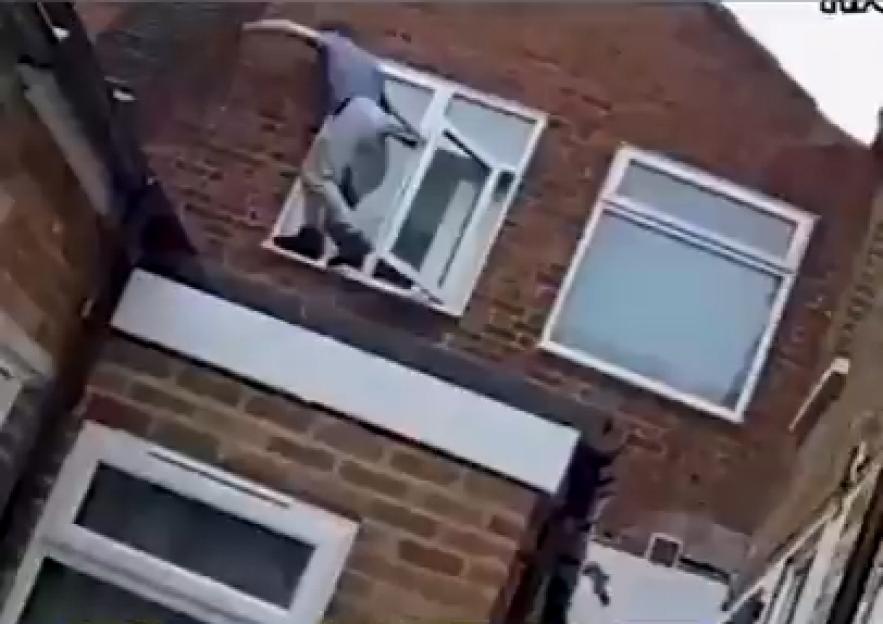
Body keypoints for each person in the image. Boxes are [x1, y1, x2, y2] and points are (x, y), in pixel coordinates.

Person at [243, 19, 423, 269]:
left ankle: (353, 240)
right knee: (320, 180)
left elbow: (293, 28)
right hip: (374, 121)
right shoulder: (372, 65)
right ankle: (313, 237)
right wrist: (411, 133)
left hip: (353, 112)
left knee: (318, 176)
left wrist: (253, 26)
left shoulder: (336, 42)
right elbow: (387, 108)